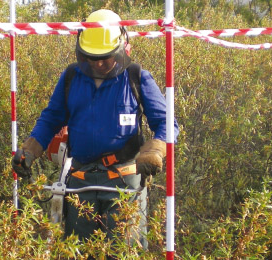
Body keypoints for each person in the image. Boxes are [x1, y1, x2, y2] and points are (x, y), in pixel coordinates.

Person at [12, 9, 179, 248]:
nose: (99, 63)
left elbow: (167, 123)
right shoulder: (72, 77)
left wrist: (154, 150)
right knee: (78, 250)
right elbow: (51, 119)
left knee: (124, 250)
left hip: (124, 182)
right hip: (81, 181)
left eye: (106, 57)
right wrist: (29, 149)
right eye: (92, 57)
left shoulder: (137, 77)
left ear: (122, 48)